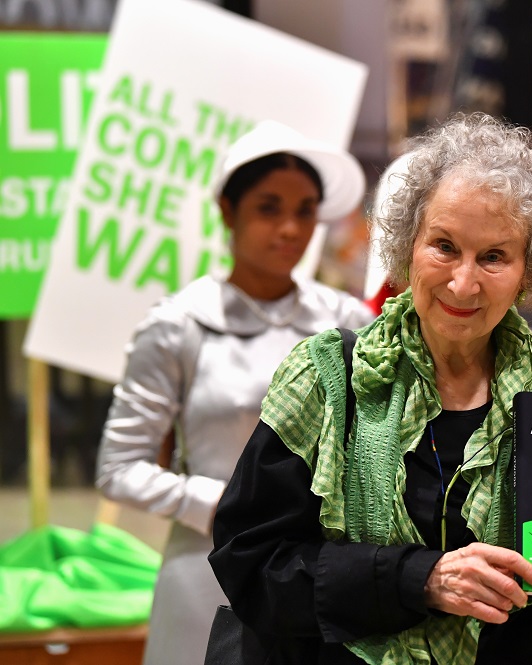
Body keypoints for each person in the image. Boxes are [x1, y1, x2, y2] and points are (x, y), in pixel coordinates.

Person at [208, 112, 532, 664]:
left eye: (494, 256)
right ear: (406, 245)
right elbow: (251, 566)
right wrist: (421, 579)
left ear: (527, 271)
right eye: (444, 246)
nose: (464, 283)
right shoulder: (326, 379)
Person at [95, 119, 376, 665]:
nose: (290, 228)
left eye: (304, 211)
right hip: (207, 566)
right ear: (228, 210)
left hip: (315, 571)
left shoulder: (345, 321)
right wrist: (225, 504)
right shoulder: (178, 324)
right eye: (269, 208)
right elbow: (118, 467)